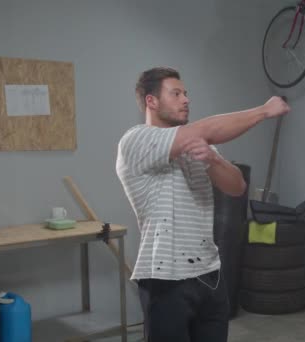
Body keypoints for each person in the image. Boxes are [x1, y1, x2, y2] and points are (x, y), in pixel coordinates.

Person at [115, 66, 290, 342]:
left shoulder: (199, 145)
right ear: (151, 101)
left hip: (210, 274)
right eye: (175, 93)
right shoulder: (136, 140)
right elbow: (206, 129)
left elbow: (237, 187)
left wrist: (213, 159)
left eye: (186, 93)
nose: (186, 99)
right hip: (165, 278)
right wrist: (263, 111)